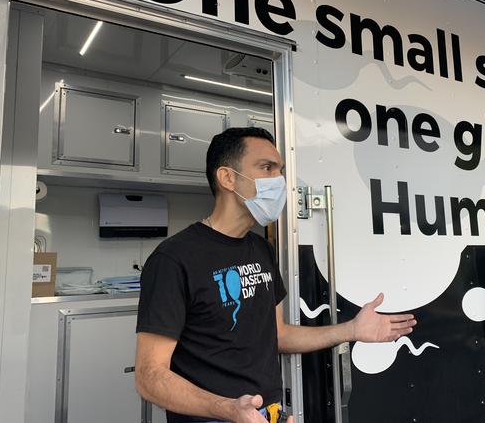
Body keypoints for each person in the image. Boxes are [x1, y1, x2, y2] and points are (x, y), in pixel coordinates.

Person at [135, 127, 416, 423]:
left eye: (280, 170)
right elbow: (149, 376)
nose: (279, 180)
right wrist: (228, 408)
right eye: (267, 168)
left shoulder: (261, 250)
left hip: (269, 415)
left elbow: (279, 335)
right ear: (228, 178)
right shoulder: (174, 259)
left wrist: (352, 330)